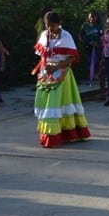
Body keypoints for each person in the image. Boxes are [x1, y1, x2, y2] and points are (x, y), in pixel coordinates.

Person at [33, 11, 91, 148]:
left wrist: (56, 67)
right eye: (47, 25)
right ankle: (49, 134)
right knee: (47, 104)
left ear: (59, 24)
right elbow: (42, 54)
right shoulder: (44, 35)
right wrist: (46, 65)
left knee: (55, 105)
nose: (49, 29)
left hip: (62, 74)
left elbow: (72, 58)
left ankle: (58, 136)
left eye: (52, 25)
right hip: (46, 74)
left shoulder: (66, 36)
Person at [79, 11, 103, 85]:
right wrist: (85, 42)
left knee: (95, 62)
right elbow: (80, 35)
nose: (92, 18)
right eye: (90, 17)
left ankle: (96, 75)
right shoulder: (85, 25)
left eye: (93, 17)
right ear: (88, 18)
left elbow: (103, 36)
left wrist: (98, 43)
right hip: (87, 47)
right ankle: (89, 77)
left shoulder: (100, 26)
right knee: (88, 62)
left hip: (97, 47)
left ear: (96, 17)